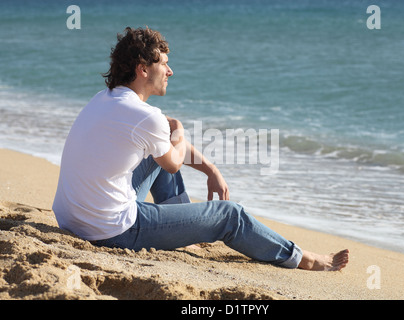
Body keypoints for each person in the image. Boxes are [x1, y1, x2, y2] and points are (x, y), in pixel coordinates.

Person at [52, 26, 349, 271]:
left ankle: (182, 228)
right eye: (163, 63)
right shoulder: (146, 117)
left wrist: (211, 169)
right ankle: (302, 258)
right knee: (229, 216)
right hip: (111, 230)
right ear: (142, 69)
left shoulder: (106, 98)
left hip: (71, 218)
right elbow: (173, 163)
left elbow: (164, 143)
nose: (170, 71)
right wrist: (178, 128)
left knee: (160, 149)